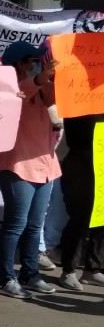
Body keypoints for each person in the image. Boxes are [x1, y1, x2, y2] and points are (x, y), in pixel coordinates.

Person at [0, 41, 59, 299]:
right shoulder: (7, 87)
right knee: (15, 225)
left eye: (37, 61)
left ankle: (30, 274)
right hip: (17, 165)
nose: (35, 65)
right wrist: (41, 78)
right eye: (30, 61)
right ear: (17, 63)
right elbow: (22, 91)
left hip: (45, 165)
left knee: (34, 226)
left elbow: (64, 97)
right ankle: (5, 278)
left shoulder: (44, 87)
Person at [57, 114, 104, 291]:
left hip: (102, 162)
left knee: (102, 217)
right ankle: (69, 270)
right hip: (81, 164)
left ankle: (93, 268)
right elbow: (75, 137)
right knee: (80, 217)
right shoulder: (79, 99)